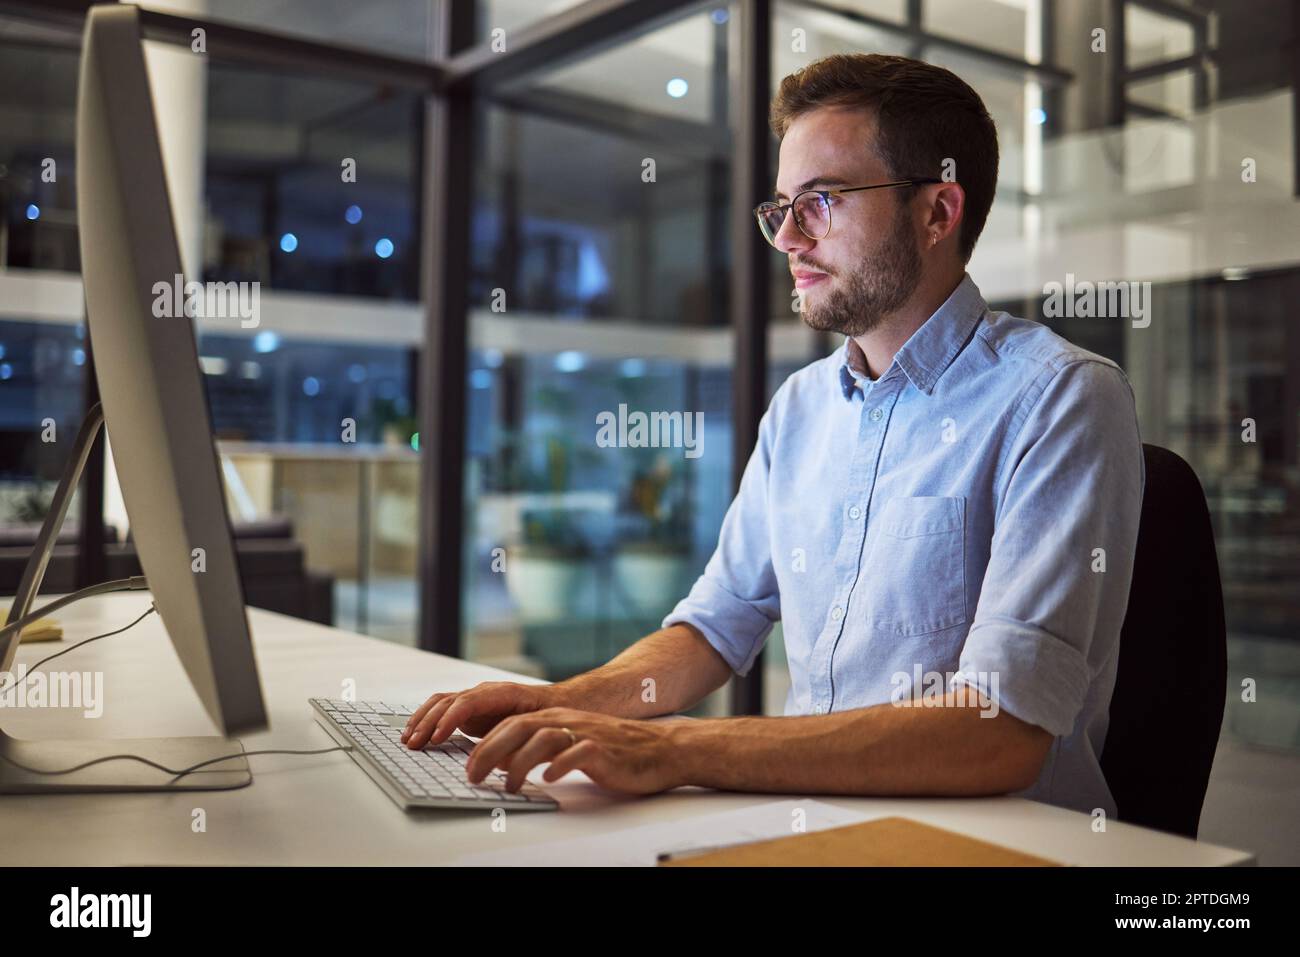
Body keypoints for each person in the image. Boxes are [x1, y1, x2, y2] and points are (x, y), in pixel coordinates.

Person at [403, 53, 1144, 817]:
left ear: (937, 212)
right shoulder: (801, 407)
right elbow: (712, 630)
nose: (787, 237)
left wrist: (674, 749)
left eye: (820, 202)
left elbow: (1001, 729)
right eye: (781, 206)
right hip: (810, 819)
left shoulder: (1061, 398)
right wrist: (555, 704)